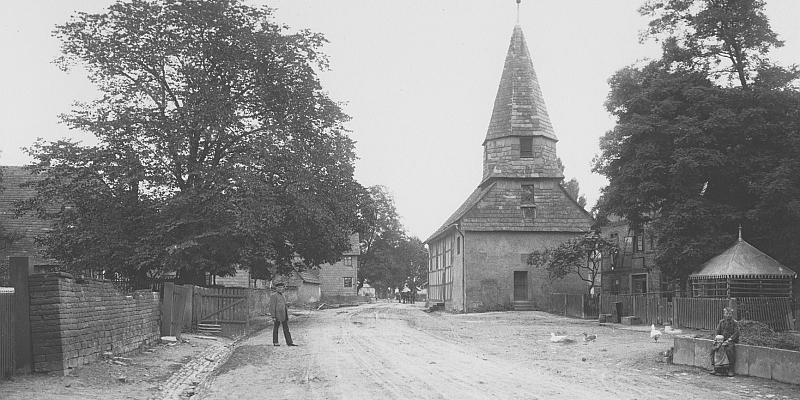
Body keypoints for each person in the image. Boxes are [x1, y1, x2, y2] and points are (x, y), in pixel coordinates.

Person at [710, 307, 739, 376]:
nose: (728, 315)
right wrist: (716, 340)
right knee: (713, 349)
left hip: (730, 341)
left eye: (729, 314)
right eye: (727, 314)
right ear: (724, 315)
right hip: (721, 340)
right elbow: (717, 332)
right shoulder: (721, 322)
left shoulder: (734, 323)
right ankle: (715, 367)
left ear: (732, 315)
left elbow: (736, 333)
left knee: (729, 350)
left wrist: (728, 340)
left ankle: (730, 369)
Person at [268, 282, 296, 347]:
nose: (280, 289)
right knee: (276, 328)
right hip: (277, 315)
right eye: (279, 287)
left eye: (282, 287)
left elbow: (282, 304)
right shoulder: (273, 295)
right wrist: (273, 316)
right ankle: (275, 342)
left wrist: (287, 304)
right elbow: (272, 306)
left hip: (284, 314)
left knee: (286, 328)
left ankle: (289, 342)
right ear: (276, 288)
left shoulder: (283, 295)